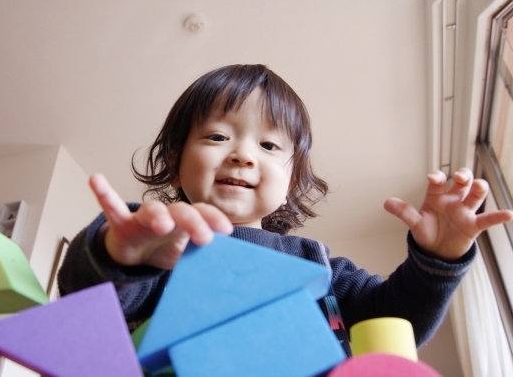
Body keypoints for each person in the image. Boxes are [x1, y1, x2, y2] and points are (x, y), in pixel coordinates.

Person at [57, 64, 513, 355]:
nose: (242, 154)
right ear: (175, 165)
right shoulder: (163, 241)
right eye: (217, 136)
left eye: (270, 144)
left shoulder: (317, 264)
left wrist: (438, 260)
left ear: (291, 180)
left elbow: (397, 321)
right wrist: (122, 253)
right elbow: (89, 304)